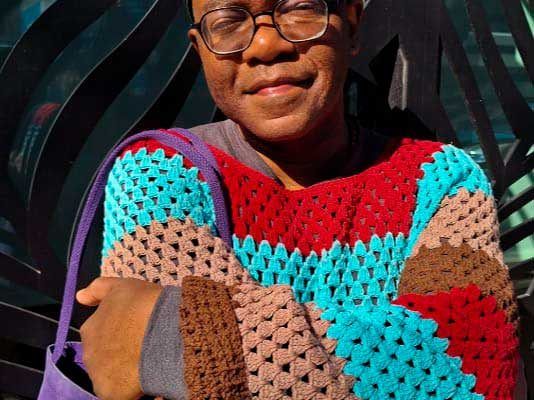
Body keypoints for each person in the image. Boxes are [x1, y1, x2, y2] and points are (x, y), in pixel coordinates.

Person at [75, 0, 520, 399]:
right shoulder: (160, 173)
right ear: (201, 50)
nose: (266, 45)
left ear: (352, 25)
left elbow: (475, 362)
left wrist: (175, 341)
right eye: (227, 21)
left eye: (299, 8)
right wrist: (401, 355)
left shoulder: (440, 179)